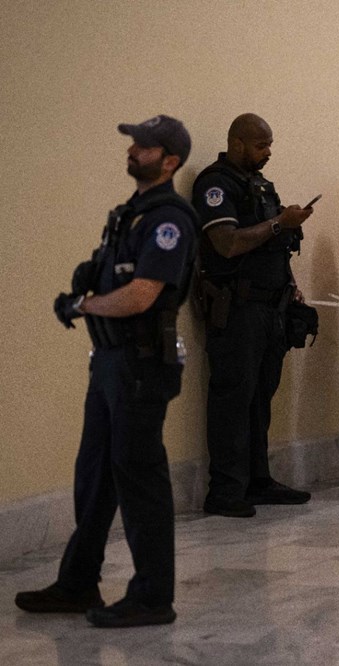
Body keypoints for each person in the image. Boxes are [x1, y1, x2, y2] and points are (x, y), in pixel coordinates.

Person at [16, 115, 196, 627]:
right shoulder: (129, 215)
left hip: (141, 364)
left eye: (145, 145)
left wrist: (83, 306)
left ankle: (152, 596)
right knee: (95, 476)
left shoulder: (170, 219)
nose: (133, 150)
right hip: (112, 363)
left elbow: (143, 294)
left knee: (140, 478)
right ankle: (77, 582)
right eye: (133, 143)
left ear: (170, 160)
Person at [191, 114, 314, 518]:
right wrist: (281, 222)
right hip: (237, 307)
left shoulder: (260, 186)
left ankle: (257, 480)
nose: (268, 152)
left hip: (270, 306)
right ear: (238, 143)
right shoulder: (215, 184)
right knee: (233, 397)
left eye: (270, 144)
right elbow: (226, 243)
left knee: (260, 397)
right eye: (261, 145)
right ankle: (225, 490)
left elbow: (275, 245)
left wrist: (291, 283)